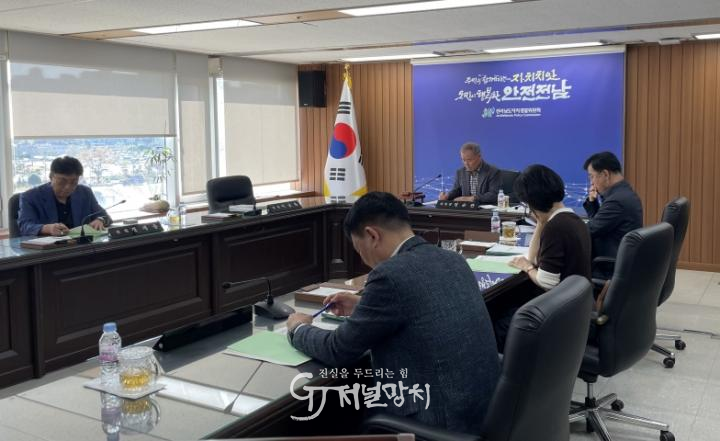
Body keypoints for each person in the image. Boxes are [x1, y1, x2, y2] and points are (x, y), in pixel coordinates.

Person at [286, 192, 500, 434]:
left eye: (359, 250)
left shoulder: (389, 275)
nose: (363, 260)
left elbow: (338, 349)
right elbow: (426, 304)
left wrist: (299, 328)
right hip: (484, 410)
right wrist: (362, 304)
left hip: (437, 419)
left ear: (372, 235)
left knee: (331, 417)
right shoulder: (452, 259)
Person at [507, 165, 592, 289]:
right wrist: (540, 222)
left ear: (533, 202)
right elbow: (533, 258)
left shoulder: (555, 228)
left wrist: (527, 267)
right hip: (580, 296)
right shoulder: (574, 219)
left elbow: (547, 283)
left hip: (564, 298)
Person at [18, 156, 111, 236]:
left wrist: (100, 220)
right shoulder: (30, 197)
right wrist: (47, 228)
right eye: (62, 182)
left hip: (80, 246)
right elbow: (24, 226)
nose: (68, 187)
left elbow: (105, 216)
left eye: (73, 182)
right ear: (51, 177)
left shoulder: (85, 193)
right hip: (50, 248)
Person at [582, 151, 643, 260]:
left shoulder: (617, 201)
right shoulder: (624, 192)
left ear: (605, 174)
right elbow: (599, 225)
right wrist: (592, 203)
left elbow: (590, 230)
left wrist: (566, 228)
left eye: (592, 176)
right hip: (620, 257)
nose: (591, 183)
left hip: (609, 264)